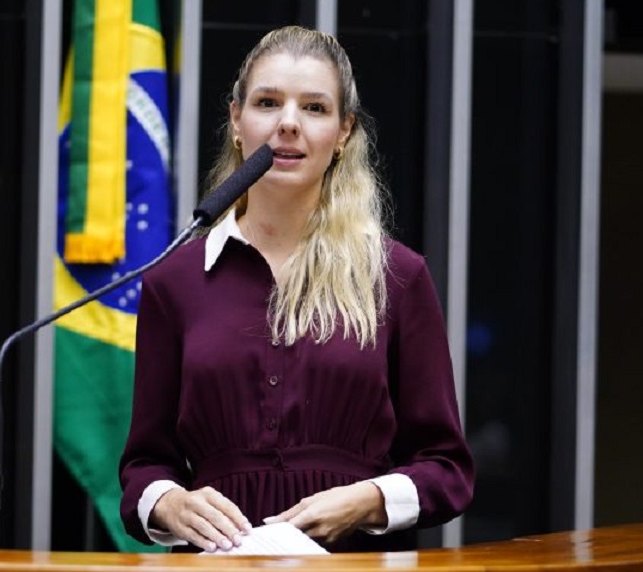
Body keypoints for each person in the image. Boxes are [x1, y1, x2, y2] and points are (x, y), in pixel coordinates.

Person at [119, 25, 474, 553]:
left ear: (344, 132)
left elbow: (447, 469)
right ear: (237, 121)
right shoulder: (175, 282)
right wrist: (168, 503)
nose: (288, 124)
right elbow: (145, 464)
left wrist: (368, 499)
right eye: (267, 103)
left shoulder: (397, 277)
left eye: (314, 108)